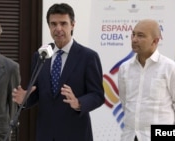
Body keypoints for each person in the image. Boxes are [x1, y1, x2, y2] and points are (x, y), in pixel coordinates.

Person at [12, 3, 105, 141]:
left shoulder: (88, 57)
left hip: (76, 133)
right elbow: (38, 92)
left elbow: (97, 95)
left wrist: (78, 102)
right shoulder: (40, 55)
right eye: (53, 24)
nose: (58, 28)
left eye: (63, 23)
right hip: (46, 134)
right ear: (49, 26)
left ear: (73, 25)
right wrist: (24, 100)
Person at [118, 19, 175, 141]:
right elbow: (125, 102)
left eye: (140, 35)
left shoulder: (171, 69)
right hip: (129, 136)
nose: (134, 39)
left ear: (155, 41)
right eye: (134, 34)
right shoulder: (125, 68)